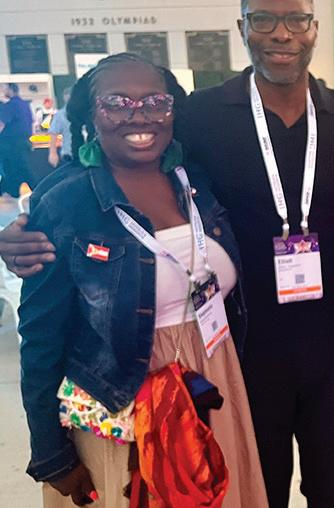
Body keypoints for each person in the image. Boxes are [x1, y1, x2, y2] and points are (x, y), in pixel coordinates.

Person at [1, 0, 334, 508]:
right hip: (242, 344)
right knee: (253, 486)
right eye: (263, 19)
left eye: (296, 19)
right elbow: (114, 162)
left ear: (314, 28)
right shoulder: (203, 116)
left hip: (327, 338)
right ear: (242, 27)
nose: (281, 34)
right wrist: (25, 225)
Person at [18, 53, 268, 508]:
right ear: (90, 116)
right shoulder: (67, 202)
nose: (140, 116)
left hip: (213, 377)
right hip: (121, 400)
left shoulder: (196, 183)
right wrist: (50, 453)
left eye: (156, 102)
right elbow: (40, 336)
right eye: (117, 103)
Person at [0, 83, 35, 198]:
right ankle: (13, 191)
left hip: (10, 144)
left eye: (5, 89)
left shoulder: (10, 105)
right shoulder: (25, 105)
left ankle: (36, 190)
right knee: (18, 168)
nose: (3, 91)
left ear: (11, 90)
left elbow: (1, 124)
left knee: (14, 168)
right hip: (24, 142)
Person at [48, 88, 73, 167]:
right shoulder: (60, 115)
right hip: (69, 155)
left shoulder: (87, 112)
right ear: (64, 98)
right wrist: (53, 153)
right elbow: (53, 133)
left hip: (88, 155)